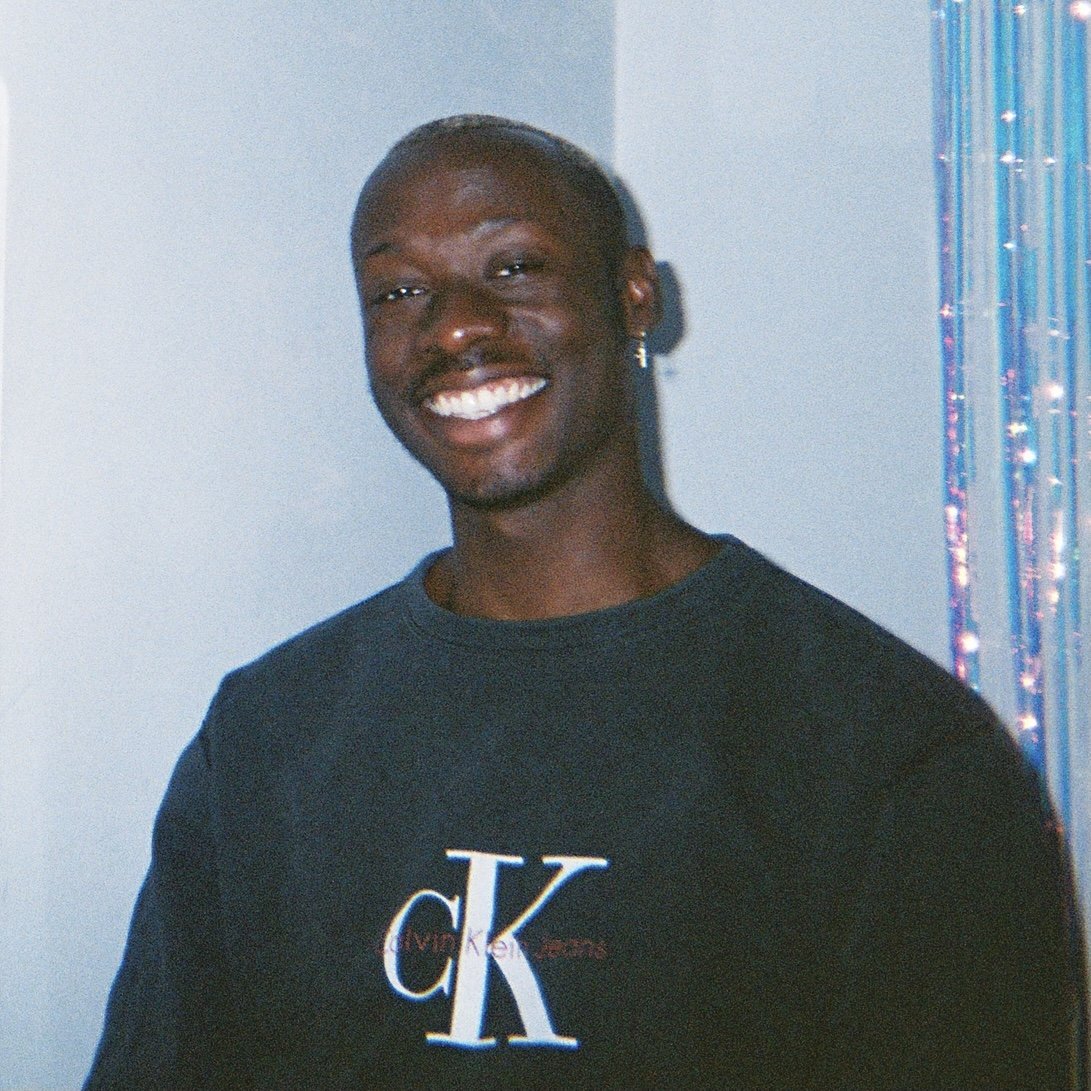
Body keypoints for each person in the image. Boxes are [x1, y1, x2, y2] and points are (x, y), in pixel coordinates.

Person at [85, 115, 1081, 1090]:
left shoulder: (890, 751)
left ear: (634, 295)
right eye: (397, 289)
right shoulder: (268, 735)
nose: (456, 323)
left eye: (513, 266)